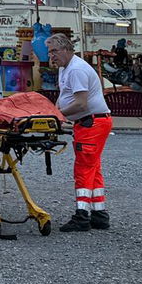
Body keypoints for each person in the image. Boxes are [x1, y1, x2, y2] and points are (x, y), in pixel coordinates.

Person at [48, 32, 112, 232]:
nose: (51, 56)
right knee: (93, 167)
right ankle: (99, 215)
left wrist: (57, 116)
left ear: (66, 49)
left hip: (91, 123)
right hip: (90, 122)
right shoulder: (66, 68)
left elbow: (81, 104)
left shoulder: (76, 70)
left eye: (54, 51)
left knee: (83, 169)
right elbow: (64, 95)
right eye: (49, 52)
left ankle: (82, 216)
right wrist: (56, 111)